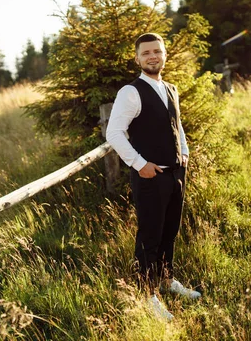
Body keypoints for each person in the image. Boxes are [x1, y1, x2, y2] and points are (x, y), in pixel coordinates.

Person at [106, 33, 200, 322]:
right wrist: (138, 164)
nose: (152, 56)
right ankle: (148, 295)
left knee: (170, 230)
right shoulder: (131, 92)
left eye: (157, 51)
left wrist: (184, 152)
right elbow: (114, 133)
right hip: (149, 176)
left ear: (164, 55)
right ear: (137, 58)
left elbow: (177, 125)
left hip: (175, 172)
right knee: (149, 235)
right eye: (146, 53)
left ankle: (167, 280)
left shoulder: (171, 88)